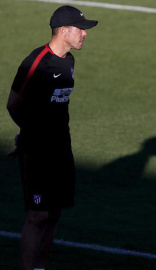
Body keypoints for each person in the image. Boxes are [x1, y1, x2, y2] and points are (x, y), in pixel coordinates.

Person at [6, 5, 98, 270]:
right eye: (80, 29)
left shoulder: (69, 62)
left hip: (61, 147)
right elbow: (14, 104)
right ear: (63, 30)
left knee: (55, 213)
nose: (85, 34)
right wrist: (28, 136)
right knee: (38, 215)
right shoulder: (37, 62)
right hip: (37, 150)